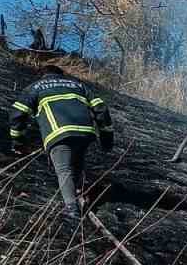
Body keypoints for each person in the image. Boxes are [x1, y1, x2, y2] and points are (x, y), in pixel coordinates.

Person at [8, 65, 115, 233]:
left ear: (42, 75)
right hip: (85, 133)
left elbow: (17, 113)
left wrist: (18, 142)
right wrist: (107, 137)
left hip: (58, 133)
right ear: (61, 74)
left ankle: (72, 208)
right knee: (77, 163)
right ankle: (79, 192)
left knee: (63, 169)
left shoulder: (35, 87)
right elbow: (100, 108)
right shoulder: (79, 86)